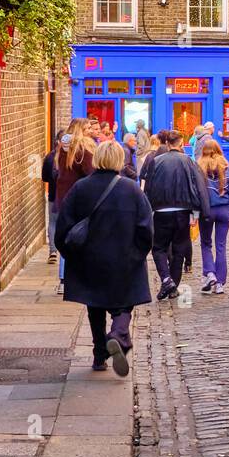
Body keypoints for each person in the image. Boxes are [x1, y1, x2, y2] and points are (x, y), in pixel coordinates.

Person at [54, 140, 153, 377]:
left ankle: (99, 355)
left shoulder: (80, 188)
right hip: (124, 259)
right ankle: (118, 335)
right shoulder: (132, 190)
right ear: (119, 160)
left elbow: (63, 227)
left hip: (90, 260)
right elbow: (146, 229)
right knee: (123, 304)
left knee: (95, 306)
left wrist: (72, 256)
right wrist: (138, 254)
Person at [141, 129, 210, 300]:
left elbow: (148, 187)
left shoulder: (156, 161)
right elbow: (198, 186)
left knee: (159, 248)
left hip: (161, 211)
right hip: (182, 211)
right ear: (181, 143)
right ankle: (171, 284)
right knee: (179, 249)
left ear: (167, 143)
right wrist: (199, 211)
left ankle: (167, 281)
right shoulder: (188, 161)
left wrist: (148, 209)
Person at [56, 119, 98, 294]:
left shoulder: (64, 147)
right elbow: (91, 173)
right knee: (81, 237)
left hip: (63, 198)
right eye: (87, 128)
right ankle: (81, 277)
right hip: (79, 199)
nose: (90, 131)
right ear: (79, 130)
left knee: (67, 237)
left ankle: (63, 279)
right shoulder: (82, 149)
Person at [196, 140, 229, 295]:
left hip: (206, 210)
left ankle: (210, 273)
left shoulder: (199, 168)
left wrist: (194, 212)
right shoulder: (228, 168)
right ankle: (220, 283)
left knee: (206, 243)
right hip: (224, 210)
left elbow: (195, 192)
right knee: (221, 246)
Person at [42, 130, 63, 264]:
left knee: (53, 223)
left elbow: (44, 177)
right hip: (67, 196)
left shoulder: (50, 157)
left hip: (54, 195)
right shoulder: (71, 157)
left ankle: (53, 252)